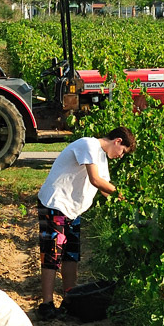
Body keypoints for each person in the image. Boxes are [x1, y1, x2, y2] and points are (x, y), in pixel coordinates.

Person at [36, 127, 135, 314]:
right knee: (52, 254)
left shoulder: (102, 158)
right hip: (55, 203)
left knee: (71, 254)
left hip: (72, 211)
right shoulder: (89, 144)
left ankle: (70, 298)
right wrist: (121, 195)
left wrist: (127, 206)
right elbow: (95, 180)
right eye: (123, 152)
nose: (121, 156)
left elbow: (105, 189)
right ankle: (46, 305)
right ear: (118, 141)